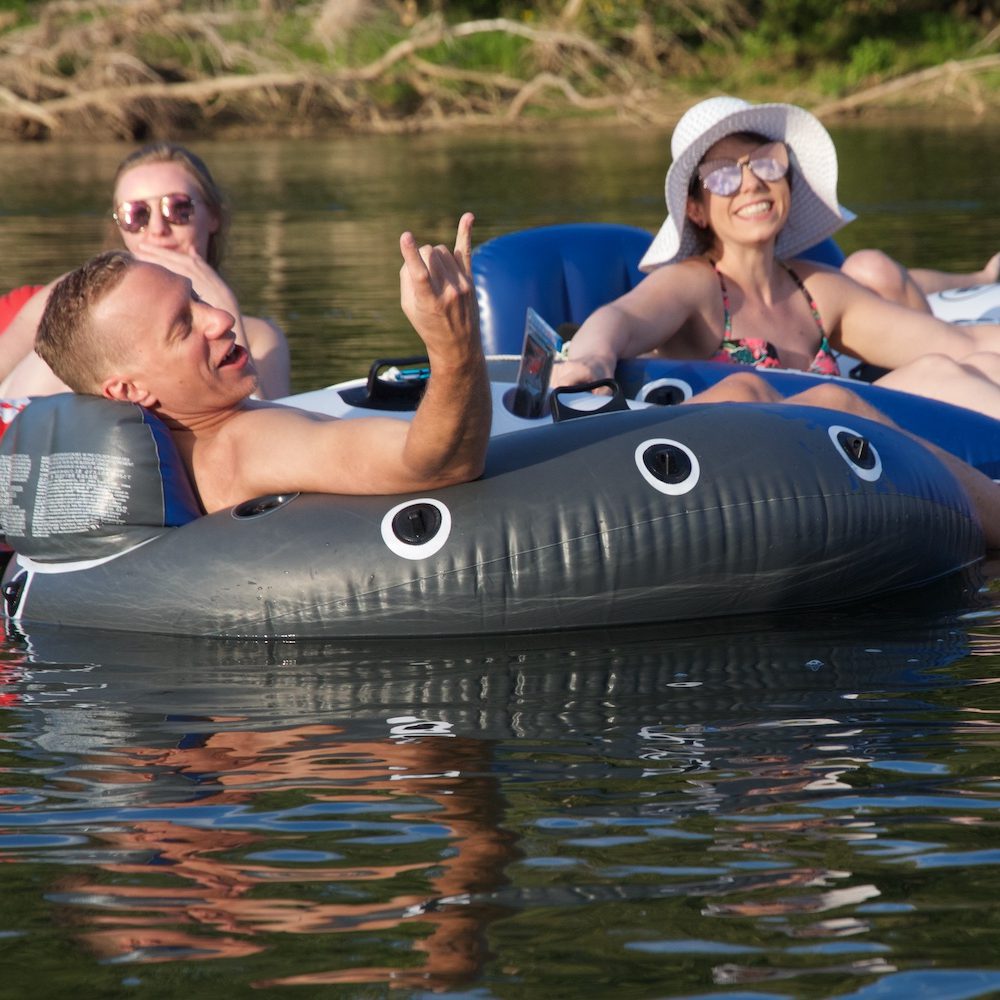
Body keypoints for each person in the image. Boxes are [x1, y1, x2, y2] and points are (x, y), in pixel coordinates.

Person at [551, 96, 1000, 420]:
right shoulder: (696, 285)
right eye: (722, 175)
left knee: (956, 365)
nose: (751, 184)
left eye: (767, 163)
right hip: (755, 467)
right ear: (695, 209)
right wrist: (591, 362)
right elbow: (620, 319)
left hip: (852, 447)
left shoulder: (817, 290)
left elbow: (957, 344)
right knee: (939, 374)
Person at [31, 214, 490, 514]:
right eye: (183, 325)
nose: (221, 319)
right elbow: (440, 466)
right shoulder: (243, 446)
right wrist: (453, 344)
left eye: (196, 297)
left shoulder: (182, 445)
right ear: (128, 391)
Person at [0, 142, 291, 400]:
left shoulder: (257, 337)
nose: (157, 230)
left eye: (178, 209)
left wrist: (223, 301)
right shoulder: (66, 300)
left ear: (213, 216)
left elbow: (269, 434)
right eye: (135, 214)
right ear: (119, 225)